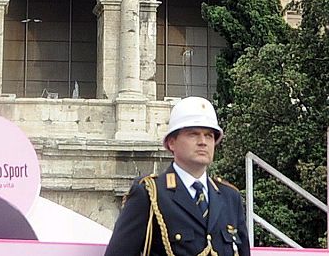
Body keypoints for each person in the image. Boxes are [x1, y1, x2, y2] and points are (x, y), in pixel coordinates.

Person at [104, 96, 248, 256]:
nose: (203, 142)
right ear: (172, 142)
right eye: (193, 134)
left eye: (209, 135)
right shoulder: (150, 194)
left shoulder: (230, 197)